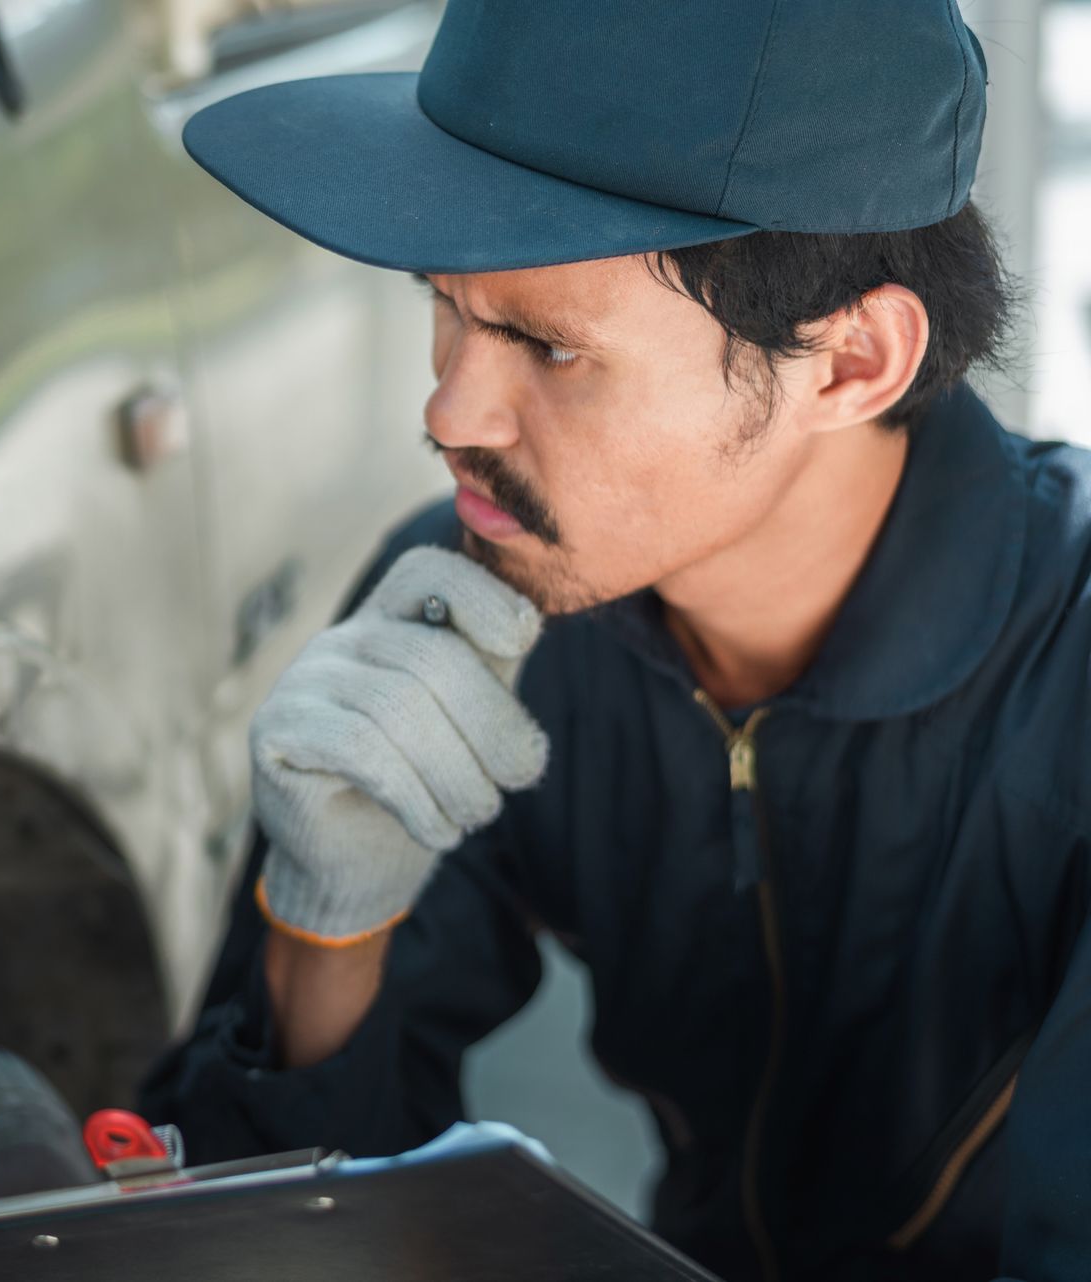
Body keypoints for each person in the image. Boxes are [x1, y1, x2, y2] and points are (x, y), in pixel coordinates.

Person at [137, 3, 1091, 1281]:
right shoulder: (489, 597)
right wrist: (322, 937)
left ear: (850, 362)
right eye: (447, 304)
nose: (452, 408)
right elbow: (261, 1244)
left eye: (546, 344)